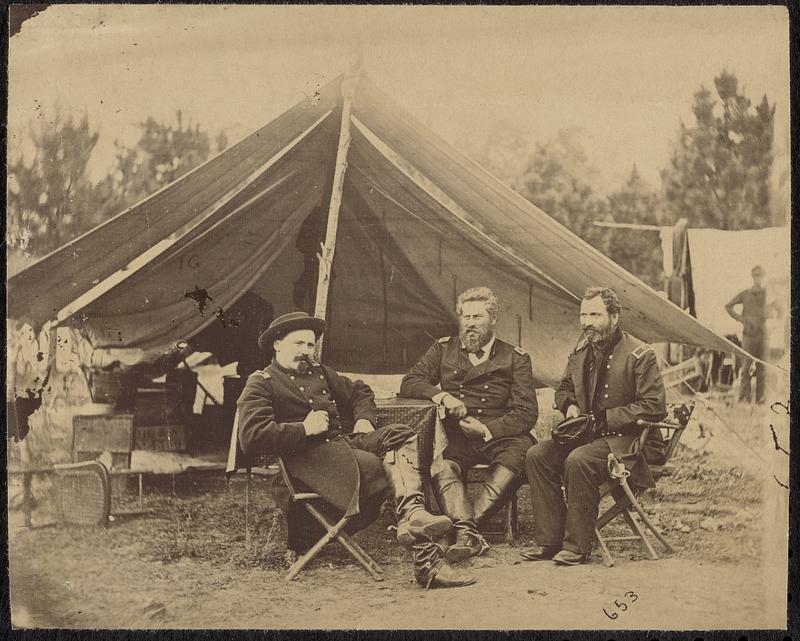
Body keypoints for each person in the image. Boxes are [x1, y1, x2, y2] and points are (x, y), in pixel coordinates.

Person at [237, 311, 475, 589]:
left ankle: (411, 517)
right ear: (277, 344)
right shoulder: (261, 382)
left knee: (403, 435)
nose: (306, 351)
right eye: (298, 344)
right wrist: (304, 429)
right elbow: (251, 437)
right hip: (307, 462)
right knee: (380, 466)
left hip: (341, 447)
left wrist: (364, 419)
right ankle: (426, 560)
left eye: (310, 345)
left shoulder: (320, 372)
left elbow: (361, 391)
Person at [524, 287, 667, 566]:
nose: (586, 321)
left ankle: (577, 547)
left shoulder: (640, 354)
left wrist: (603, 419)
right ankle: (549, 540)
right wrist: (569, 406)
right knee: (537, 455)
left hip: (628, 442)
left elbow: (654, 406)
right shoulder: (582, 348)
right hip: (588, 436)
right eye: (583, 314)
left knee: (579, 460)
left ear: (614, 316)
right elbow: (564, 387)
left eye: (594, 314)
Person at [400, 287, 538, 562]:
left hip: (500, 434)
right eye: (465, 317)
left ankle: (462, 532)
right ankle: (468, 535)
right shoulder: (443, 348)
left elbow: (526, 412)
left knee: (521, 453)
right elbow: (410, 381)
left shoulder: (515, 357)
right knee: (441, 461)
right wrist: (443, 396)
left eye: (477, 316)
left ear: (493, 320)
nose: (470, 323)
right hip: (457, 434)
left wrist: (487, 430)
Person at [724, 265, 778, 404]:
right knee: (746, 368)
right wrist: (741, 319)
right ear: (752, 277)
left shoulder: (769, 295)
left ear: (763, 276)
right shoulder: (745, 294)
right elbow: (728, 306)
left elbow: (782, 310)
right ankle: (744, 399)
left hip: (764, 336)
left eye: (760, 275)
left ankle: (760, 400)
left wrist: (773, 324)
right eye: (755, 275)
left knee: (762, 369)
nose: (757, 278)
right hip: (748, 336)